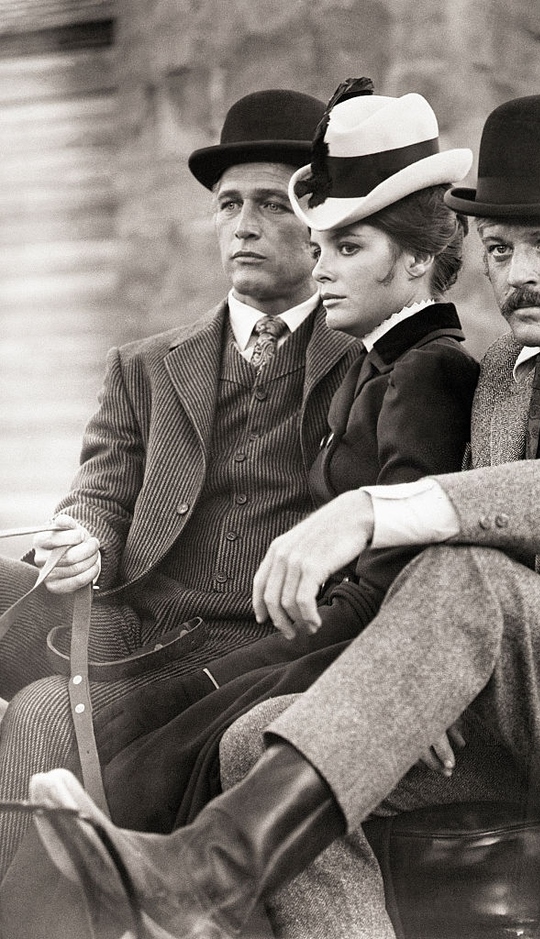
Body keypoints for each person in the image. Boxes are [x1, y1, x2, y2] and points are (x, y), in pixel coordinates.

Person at [29, 93, 540, 939]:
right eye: (499, 249)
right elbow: (469, 584)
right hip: (524, 710)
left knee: (463, 566)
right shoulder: (507, 373)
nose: (516, 274)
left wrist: (370, 509)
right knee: (261, 738)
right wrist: (407, 685)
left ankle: (203, 875)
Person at [80, 81, 478, 836]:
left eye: (347, 247)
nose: (323, 269)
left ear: (419, 256)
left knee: (145, 758)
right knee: (105, 732)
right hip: (207, 626)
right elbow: (101, 494)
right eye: (229, 205)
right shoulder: (375, 363)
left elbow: (408, 574)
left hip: (314, 642)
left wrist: (408, 687)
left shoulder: (417, 369)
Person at [0, 87, 362, 875]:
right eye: (229, 204)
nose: (244, 224)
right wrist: (83, 540)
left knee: (40, 716)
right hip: (136, 621)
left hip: (260, 647)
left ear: (323, 220)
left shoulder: (365, 358)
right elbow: (99, 489)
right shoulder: (146, 364)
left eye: (273, 203)